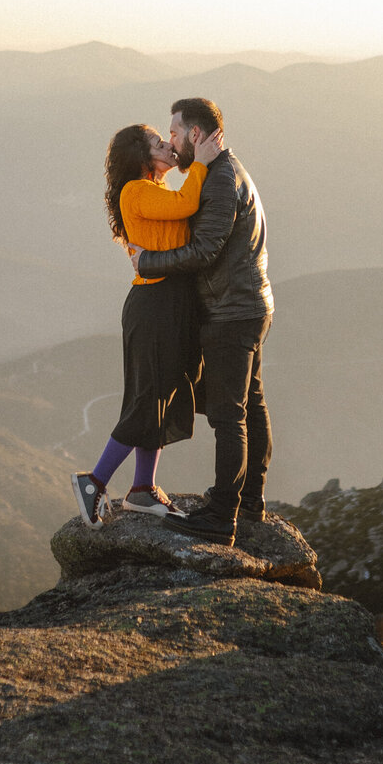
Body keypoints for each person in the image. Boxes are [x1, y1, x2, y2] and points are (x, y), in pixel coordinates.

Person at [131, 97, 273, 547]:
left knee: (229, 415)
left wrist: (148, 261)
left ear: (195, 134)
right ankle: (248, 500)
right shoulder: (226, 171)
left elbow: (204, 251)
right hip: (249, 304)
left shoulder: (219, 180)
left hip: (231, 311)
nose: (170, 141)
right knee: (250, 405)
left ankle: (221, 516)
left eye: (173, 132)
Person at [71, 120, 223, 529]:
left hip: (168, 303)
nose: (168, 146)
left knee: (161, 392)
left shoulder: (153, 190)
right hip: (154, 304)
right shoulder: (135, 191)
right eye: (159, 142)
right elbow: (186, 206)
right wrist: (202, 164)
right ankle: (95, 482)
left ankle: (141, 489)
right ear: (143, 156)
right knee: (147, 397)